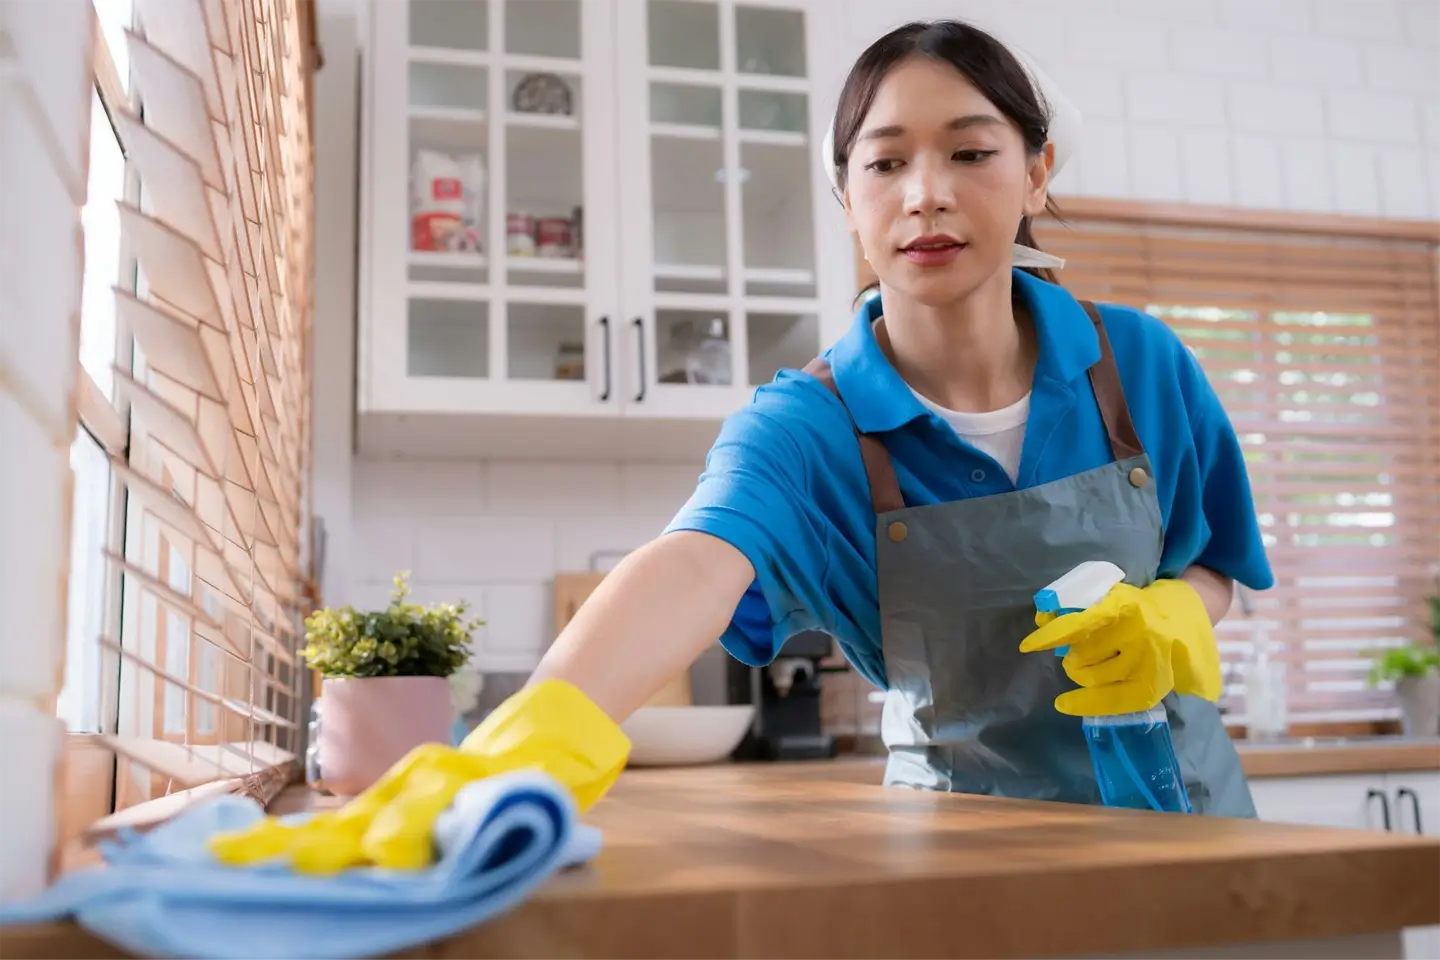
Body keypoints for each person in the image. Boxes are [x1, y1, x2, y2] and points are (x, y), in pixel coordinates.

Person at [213, 19, 1274, 874]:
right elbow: (693, 564)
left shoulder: (1134, 363)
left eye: (971, 151)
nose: (927, 193)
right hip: (970, 864)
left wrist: (1178, 613)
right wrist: (532, 737)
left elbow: (1214, 560)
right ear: (847, 201)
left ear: (1037, 171)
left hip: (1198, 832)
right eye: (885, 162)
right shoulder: (808, 427)